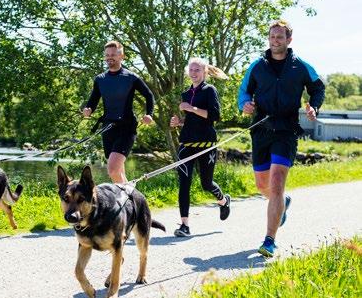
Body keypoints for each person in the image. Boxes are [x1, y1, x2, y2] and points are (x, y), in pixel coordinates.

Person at [238, 19, 324, 257]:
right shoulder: (257, 66)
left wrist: (313, 105)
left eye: (280, 37)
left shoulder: (300, 66)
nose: (275, 41)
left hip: (286, 130)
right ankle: (283, 203)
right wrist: (244, 104)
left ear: (289, 40)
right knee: (262, 185)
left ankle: (269, 240)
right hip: (261, 128)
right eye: (272, 36)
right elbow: (243, 90)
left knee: (276, 182)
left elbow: (318, 87)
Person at [170, 58, 231, 237]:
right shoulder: (186, 93)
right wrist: (179, 122)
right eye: (191, 69)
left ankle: (223, 200)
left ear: (204, 72)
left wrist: (191, 108)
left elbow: (214, 116)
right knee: (184, 184)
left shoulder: (209, 90)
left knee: (206, 183)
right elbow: (192, 120)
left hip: (206, 145)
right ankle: (184, 225)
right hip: (187, 144)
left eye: (197, 70)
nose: (194, 73)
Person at [82, 41, 155, 183]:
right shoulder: (100, 79)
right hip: (108, 128)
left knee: (113, 170)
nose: (110, 57)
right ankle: (131, 200)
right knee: (118, 172)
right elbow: (93, 100)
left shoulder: (131, 77)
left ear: (122, 56)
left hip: (126, 128)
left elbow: (149, 95)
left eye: (113, 55)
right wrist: (88, 109)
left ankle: (127, 201)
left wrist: (149, 114)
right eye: (107, 55)